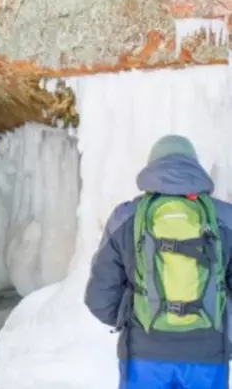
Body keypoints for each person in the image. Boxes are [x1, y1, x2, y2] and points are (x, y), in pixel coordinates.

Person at [84, 135, 232, 389]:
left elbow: (99, 298)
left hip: (144, 355)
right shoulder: (225, 217)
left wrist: (135, 317)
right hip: (207, 354)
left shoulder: (126, 217)